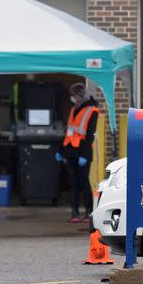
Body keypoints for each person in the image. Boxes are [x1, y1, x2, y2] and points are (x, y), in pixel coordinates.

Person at [57, 83, 98, 223]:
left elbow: (89, 136)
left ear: (80, 95)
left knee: (84, 183)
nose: (72, 98)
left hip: (82, 153)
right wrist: (61, 151)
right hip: (70, 152)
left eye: (73, 95)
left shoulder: (92, 111)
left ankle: (89, 211)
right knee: (73, 184)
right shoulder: (74, 109)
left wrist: (85, 155)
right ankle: (74, 212)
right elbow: (69, 132)